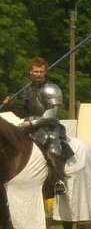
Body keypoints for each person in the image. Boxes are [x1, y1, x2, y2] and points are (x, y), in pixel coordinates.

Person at [2, 57, 70, 196]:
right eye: (36, 71)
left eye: (41, 71)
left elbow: (52, 113)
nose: (38, 74)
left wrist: (32, 123)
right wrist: (11, 106)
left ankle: (59, 181)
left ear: (46, 72)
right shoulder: (29, 90)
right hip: (28, 128)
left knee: (53, 150)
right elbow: (23, 113)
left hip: (48, 128)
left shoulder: (52, 89)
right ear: (31, 72)